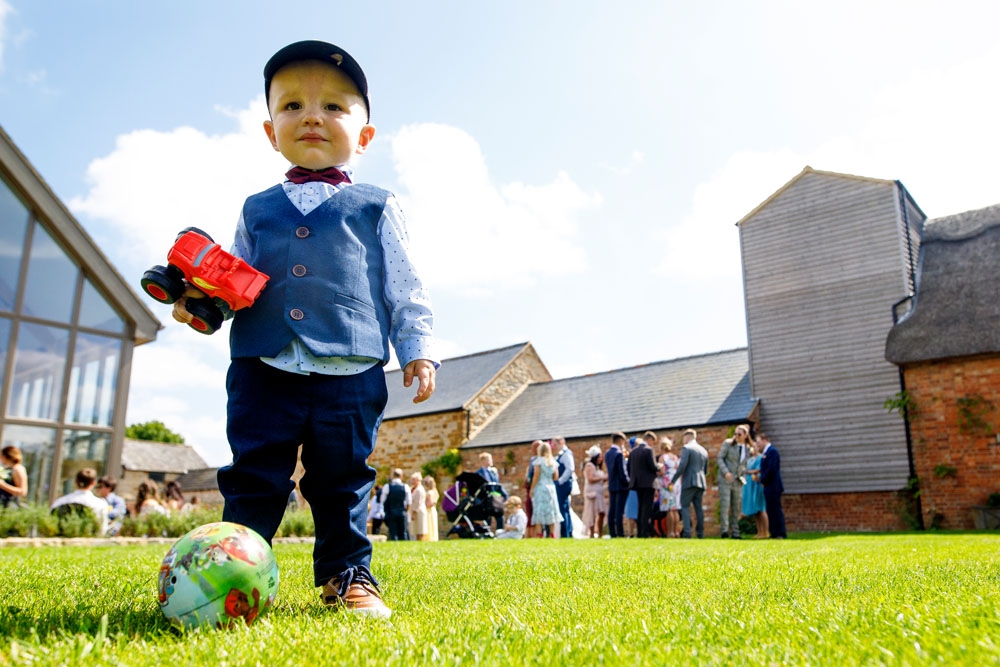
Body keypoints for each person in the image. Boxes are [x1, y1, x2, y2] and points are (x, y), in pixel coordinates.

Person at [172, 41, 437, 618]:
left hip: (350, 369)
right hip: (263, 367)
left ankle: (347, 576)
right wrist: (201, 304)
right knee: (254, 475)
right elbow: (236, 285)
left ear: (364, 137)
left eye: (334, 108)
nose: (312, 116)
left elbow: (405, 285)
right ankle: (230, 576)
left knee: (343, 480)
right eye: (292, 106)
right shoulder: (254, 208)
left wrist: (417, 349)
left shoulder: (378, 204)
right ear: (271, 131)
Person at [671, 429, 708, 538]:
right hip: (701, 481)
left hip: (689, 481)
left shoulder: (686, 448)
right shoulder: (704, 450)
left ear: (687, 438)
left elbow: (682, 466)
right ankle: (700, 533)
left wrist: (673, 480)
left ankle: (687, 532)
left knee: (685, 506)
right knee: (698, 508)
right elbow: (705, 469)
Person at [51, 468, 110, 534]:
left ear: (75, 482)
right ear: (93, 483)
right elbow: (102, 530)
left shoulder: (60, 501)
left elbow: (51, 522)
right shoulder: (100, 504)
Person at [717, 424, 751, 539]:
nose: (736, 436)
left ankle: (736, 532)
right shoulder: (728, 444)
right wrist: (726, 472)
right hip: (725, 479)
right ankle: (724, 531)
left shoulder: (747, 448)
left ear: (745, 435)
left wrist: (742, 474)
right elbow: (720, 458)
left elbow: (744, 464)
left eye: (739, 434)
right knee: (725, 505)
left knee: (736, 507)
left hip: (738, 480)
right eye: (735, 434)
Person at [627, 431, 659, 538]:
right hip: (649, 483)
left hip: (637, 483)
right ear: (649, 439)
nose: (652, 444)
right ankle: (644, 532)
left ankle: (640, 531)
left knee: (640, 507)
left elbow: (629, 468)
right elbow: (653, 466)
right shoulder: (649, 450)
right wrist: (660, 466)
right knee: (647, 508)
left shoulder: (633, 452)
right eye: (652, 442)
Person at [757, 432, 787, 538]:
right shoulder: (765, 453)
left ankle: (780, 532)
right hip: (768, 486)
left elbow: (771, 469)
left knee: (775, 509)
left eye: (759, 442)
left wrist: (762, 479)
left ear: (765, 440)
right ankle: (774, 532)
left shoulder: (772, 452)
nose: (758, 445)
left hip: (773, 485)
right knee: (770, 509)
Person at [529, 441, 560, 538]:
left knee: (539, 510)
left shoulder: (539, 461)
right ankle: (552, 533)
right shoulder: (553, 462)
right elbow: (556, 477)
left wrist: (532, 488)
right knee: (551, 510)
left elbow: (536, 475)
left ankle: (540, 533)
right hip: (550, 487)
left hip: (540, 487)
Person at [742, 441, 769, 539]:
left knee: (761, 508)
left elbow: (759, 469)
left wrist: (748, 472)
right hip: (749, 484)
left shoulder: (760, 458)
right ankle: (759, 531)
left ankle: (765, 531)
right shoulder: (749, 460)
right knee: (755, 511)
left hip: (757, 484)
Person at [604, 433, 629, 538]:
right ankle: (620, 532)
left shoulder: (608, 453)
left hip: (612, 484)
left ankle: (612, 532)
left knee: (612, 509)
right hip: (621, 485)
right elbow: (622, 472)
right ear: (620, 441)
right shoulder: (619, 454)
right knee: (619, 510)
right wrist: (628, 482)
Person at [475, 451, 506, 533]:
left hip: (496, 497)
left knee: (499, 515)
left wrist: (505, 496)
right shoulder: (478, 474)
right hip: (485, 498)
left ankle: (500, 533)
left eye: (490, 459)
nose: (490, 461)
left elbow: (498, 485)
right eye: (488, 460)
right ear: (482, 461)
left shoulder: (494, 472)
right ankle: (487, 533)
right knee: (487, 517)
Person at [657, 438, 681, 538]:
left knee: (669, 509)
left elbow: (662, 471)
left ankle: (670, 532)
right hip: (676, 483)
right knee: (675, 508)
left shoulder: (662, 458)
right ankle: (676, 532)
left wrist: (656, 473)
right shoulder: (675, 457)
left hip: (667, 483)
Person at [581, 445, 607, 538]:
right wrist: (602, 477)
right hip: (592, 492)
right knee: (591, 513)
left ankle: (600, 533)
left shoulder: (597, 467)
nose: (600, 459)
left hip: (599, 492)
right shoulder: (589, 465)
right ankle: (592, 533)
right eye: (599, 457)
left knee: (601, 512)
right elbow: (590, 478)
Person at [552, 437, 574, 538]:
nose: (554, 447)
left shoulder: (566, 453)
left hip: (564, 484)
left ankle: (565, 533)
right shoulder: (562, 453)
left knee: (563, 508)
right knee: (564, 508)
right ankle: (567, 532)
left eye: (555, 445)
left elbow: (570, 469)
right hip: (563, 484)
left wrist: (560, 481)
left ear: (561, 442)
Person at [380, 469, 410, 541]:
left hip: (391, 512)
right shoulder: (405, 487)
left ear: (393, 476)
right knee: (403, 532)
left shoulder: (387, 487)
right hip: (402, 512)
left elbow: (382, 500)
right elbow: (409, 502)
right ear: (401, 476)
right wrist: (406, 512)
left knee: (393, 532)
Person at [408, 472, 427, 541]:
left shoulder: (419, 490)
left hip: (419, 511)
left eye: (413, 479)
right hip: (414, 511)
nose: (412, 481)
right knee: (416, 529)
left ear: (418, 480)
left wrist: (414, 513)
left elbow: (417, 502)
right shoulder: (413, 489)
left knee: (420, 529)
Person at [423, 476, 440, 541]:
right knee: (433, 525)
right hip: (433, 510)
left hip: (428, 511)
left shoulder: (429, 492)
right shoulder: (435, 491)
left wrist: (423, 506)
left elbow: (429, 504)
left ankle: (429, 538)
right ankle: (433, 538)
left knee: (428, 525)